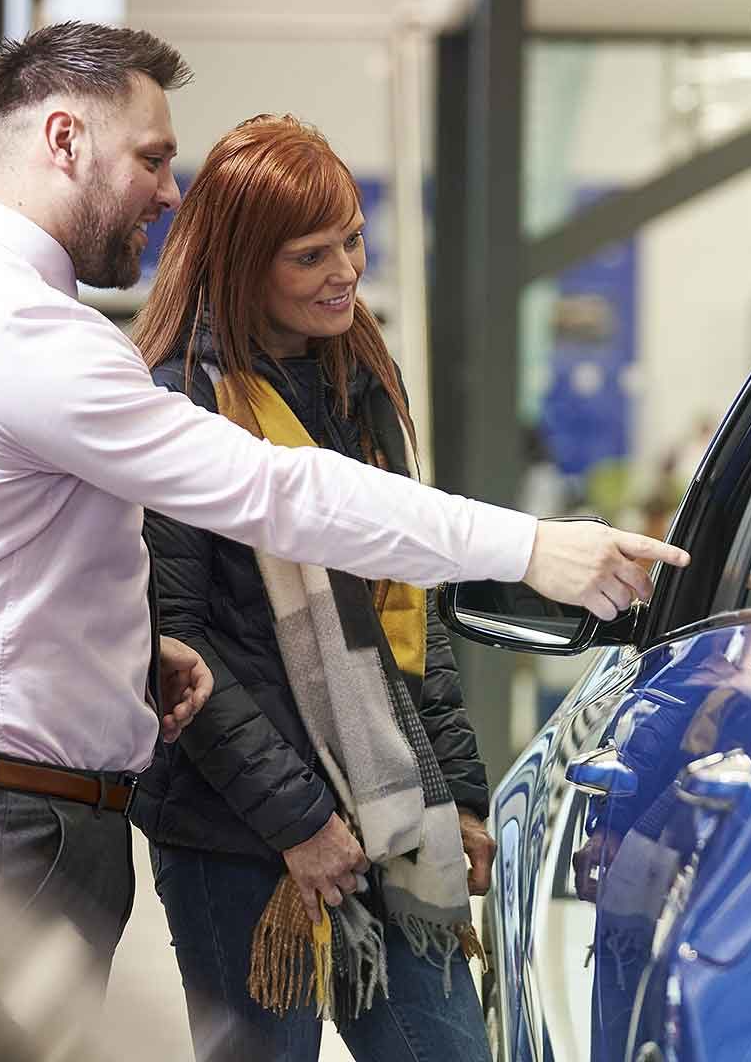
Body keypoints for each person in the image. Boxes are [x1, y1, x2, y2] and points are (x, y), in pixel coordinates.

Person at [0, 23, 689, 989]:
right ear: (65, 139)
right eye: (153, 159)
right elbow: (273, 489)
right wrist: (529, 547)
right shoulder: (28, 335)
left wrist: (124, 649)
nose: (171, 192)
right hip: (13, 826)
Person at [129, 115, 499, 1062]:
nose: (346, 270)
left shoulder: (358, 380)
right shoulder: (177, 405)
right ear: (245, 263)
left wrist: (456, 789)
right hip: (242, 839)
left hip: (394, 817)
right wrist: (300, 822)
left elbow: (411, 607)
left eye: (353, 240)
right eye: (310, 254)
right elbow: (175, 643)